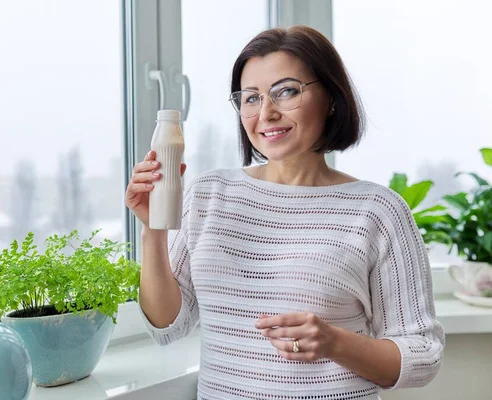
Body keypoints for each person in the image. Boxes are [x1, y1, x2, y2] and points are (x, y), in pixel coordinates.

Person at [125, 25, 445, 400]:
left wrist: (334, 343)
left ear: (330, 97)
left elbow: (423, 355)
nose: (267, 113)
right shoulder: (209, 194)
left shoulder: (378, 211)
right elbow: (167, 326)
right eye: (251, 98)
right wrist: (153, 230)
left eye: (286, 91)